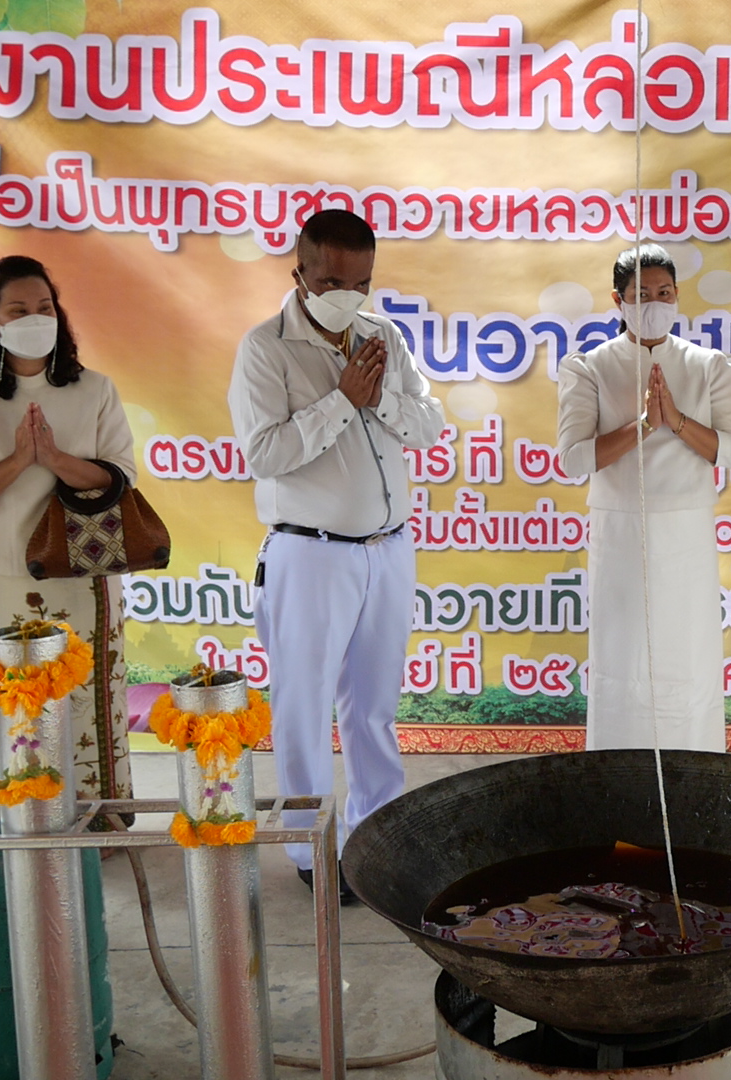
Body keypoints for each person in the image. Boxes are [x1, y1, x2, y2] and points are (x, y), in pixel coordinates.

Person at [228, 209, 444, 902]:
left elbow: (429, 425)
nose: (346, 295)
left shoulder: (384, 337)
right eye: (331, 282)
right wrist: (344, 401)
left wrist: (378, 402)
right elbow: (265, 454)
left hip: (389, 548)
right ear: (300, 272)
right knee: (303, 704)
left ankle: (377, 835)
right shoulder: (266, 348)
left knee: (374, 706)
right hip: (310, 553)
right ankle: (309, 848)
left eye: (360, 283)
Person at [0, 256, 136, 805]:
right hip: (9, 572)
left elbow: (121, 477)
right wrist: (20, 459)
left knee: (93, 698)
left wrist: (55, 458)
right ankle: (38, 824)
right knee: (28, 701)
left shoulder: (94, 388)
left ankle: (103, 820)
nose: (36, 319)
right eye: (19, 310)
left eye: (45, 307)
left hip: (87, 568)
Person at [555, 245, 731, 752]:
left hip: (686, 535)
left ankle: (693, 780)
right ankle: (619, 782)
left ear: (678, 296)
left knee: (687, 661)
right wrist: (642, 426)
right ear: (617, 300)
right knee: (624, 664)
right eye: (641, 295)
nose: (655, 304)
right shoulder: (590, 367)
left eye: (664, 293)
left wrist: (677, 421)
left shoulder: (709, 365)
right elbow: (574, 458)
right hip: (621, 535)